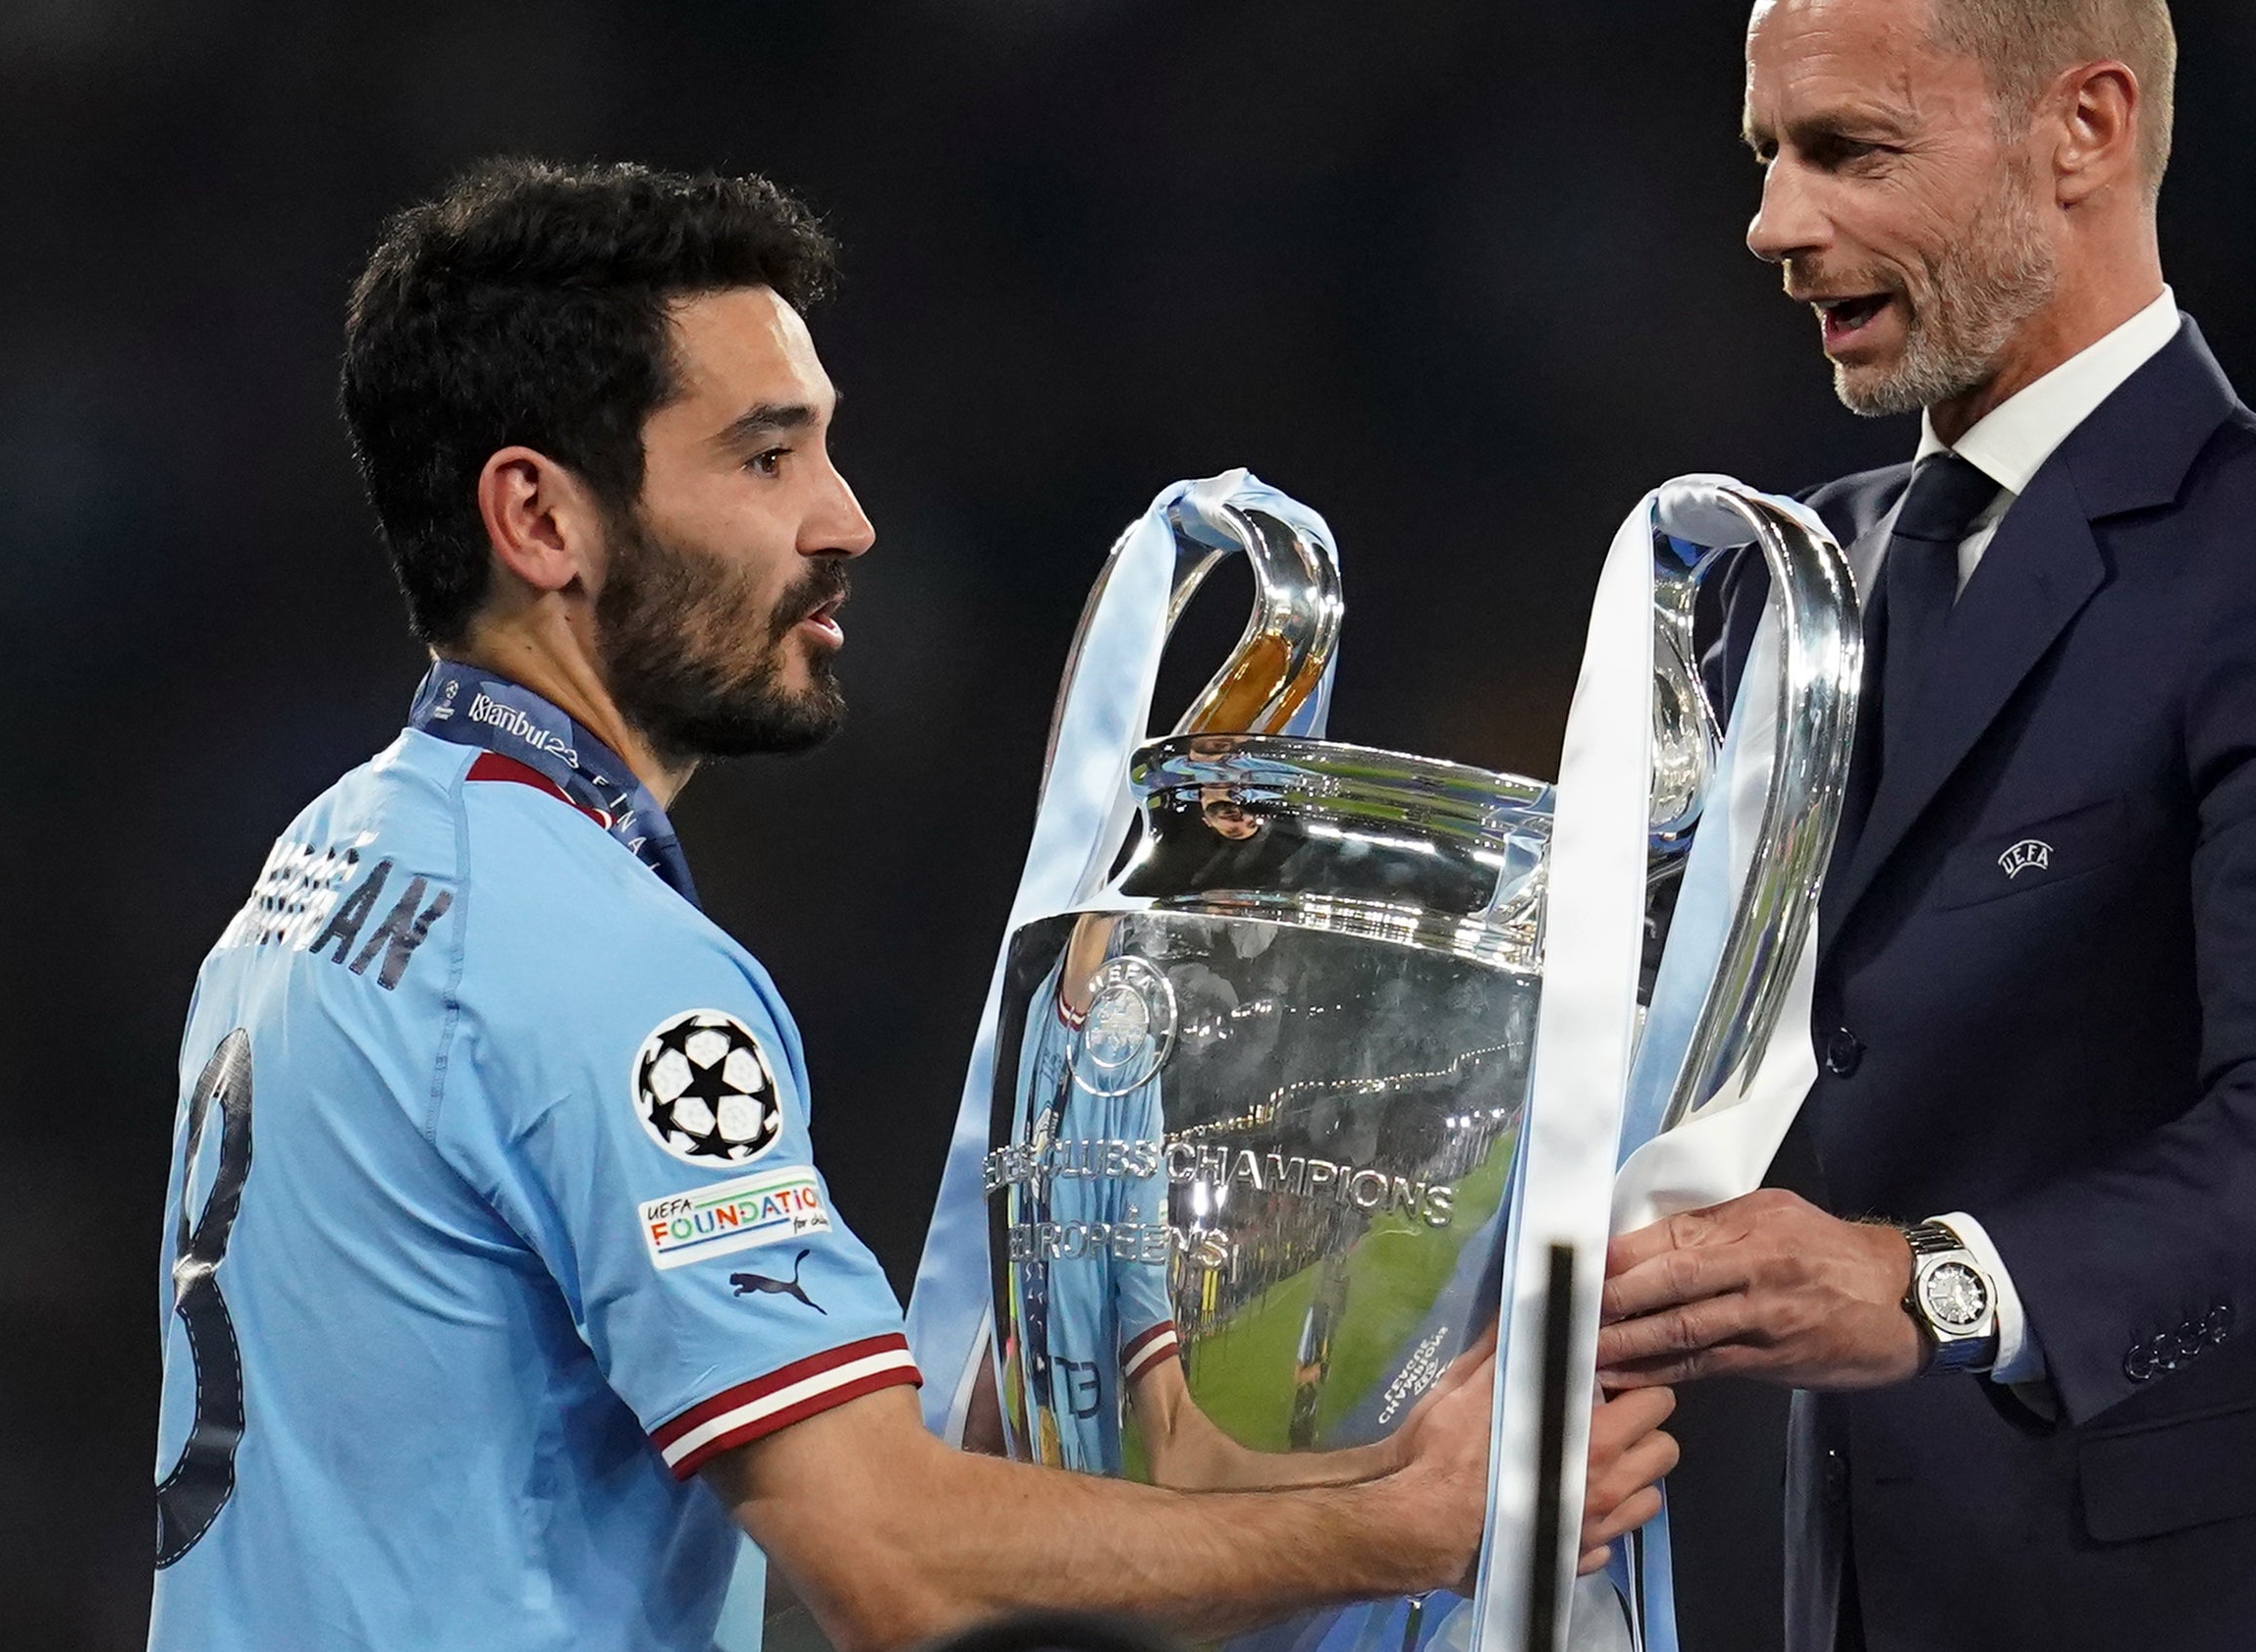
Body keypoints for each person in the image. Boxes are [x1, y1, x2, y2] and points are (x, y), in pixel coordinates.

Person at [143, 158, 1678, 1652]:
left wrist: (1309, 1477)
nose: (844, 518)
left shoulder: (331, 867)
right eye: (765, 456)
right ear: (541, 520)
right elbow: (888, 1570)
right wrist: (1403, 1528)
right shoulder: (604, 966)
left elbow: (722, 1542)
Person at [1590, 0, 2256, 1652]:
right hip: (1870, 1598)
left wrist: (1931, 1278)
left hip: (2231, 1600)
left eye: (1844, 150)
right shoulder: (1789, 582)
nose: (1771, 221)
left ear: (2080, 128)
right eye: (1764, 155)